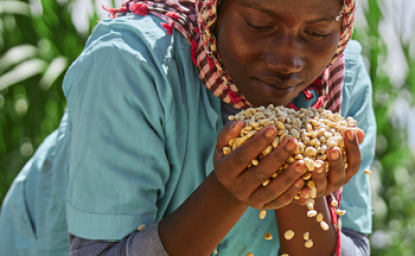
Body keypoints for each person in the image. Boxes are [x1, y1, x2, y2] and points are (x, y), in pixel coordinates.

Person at [0, 0, 375, 255]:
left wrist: (300, 187)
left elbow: (350, 244)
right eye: (260, 25)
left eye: (316, 33)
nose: (288, 60)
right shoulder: (131, 65)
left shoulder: (340, 78)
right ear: (213, 11)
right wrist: (228, 191)